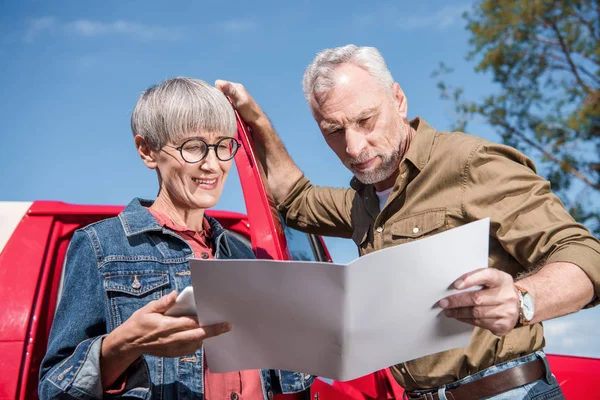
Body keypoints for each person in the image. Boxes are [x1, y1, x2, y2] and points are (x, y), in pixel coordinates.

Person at [216, 45, 600, 400]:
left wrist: (522, 300)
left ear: (398, 100)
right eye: (334, 132)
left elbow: (586, 255)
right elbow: (295, 199)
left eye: (365, 120)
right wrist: (255, 120)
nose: (353, 147)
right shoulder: (361, 204)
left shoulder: (470, 164)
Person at [39, 77, 313, 400]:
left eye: (224, 145)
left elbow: (283, 378)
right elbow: (55, 388)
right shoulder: (101, 246)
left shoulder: (244, 254)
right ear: (147, 151)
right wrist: (124, 343)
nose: (213, 165)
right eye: (194, 147)